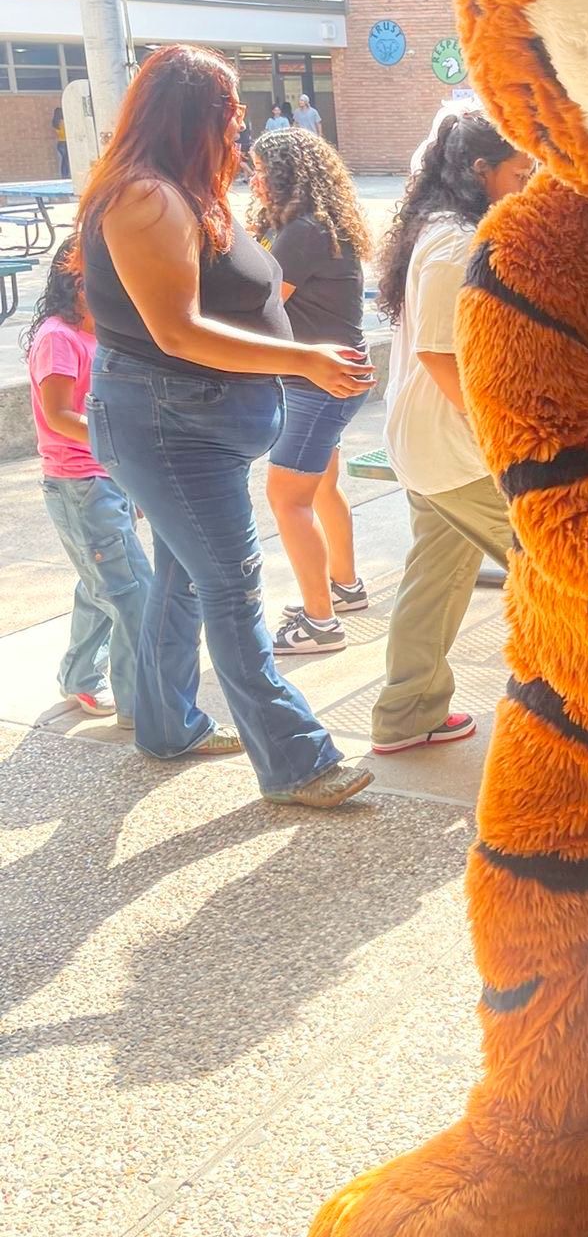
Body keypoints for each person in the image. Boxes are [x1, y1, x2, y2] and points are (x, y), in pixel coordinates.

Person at [77, 42, 375, 810]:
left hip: (192, 422)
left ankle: (166, 725)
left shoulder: (184, 191)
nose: (243, 124)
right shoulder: (147, 198)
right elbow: (175, 332)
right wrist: (302, 358)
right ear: (194, 115)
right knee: (230, 584)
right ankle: (298, 760)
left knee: (182, 576)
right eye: (231, 109)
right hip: (168, 424)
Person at [370, 107, 535, 755]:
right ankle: (572, 716)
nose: (528, 182)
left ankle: (407, 713)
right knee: (554, 568)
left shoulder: (440, 227)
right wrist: (506, 436)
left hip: (425, 448)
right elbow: (443, 357)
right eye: (520, 172)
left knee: (435, 578)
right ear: (480, 171)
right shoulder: (451, 244)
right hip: (457, 453)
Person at [247, 128, 373, 655]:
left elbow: (263, 307)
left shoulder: (302, 233)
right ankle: (344, 587)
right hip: (338, 377)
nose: (251, 180)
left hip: (318, 383)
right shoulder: (319, 227)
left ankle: (320, 623)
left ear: (282, 176)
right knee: (321, 486)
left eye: (257, 169)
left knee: (286, 498)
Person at [25, 243, 153, 725]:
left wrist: (131, 475)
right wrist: (115, 441)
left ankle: (79, 677)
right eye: (94, 279)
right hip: (81, 485)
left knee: (100, 585)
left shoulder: (106, 335)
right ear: (71, 283)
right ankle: (140, 708)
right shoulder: (59, 339)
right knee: (134, 594)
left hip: (110, 477)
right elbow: (58, 416)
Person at [52, 105, 70, 181]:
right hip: (65, 142)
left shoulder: (54, 123)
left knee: (64, 160)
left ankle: (64, 174)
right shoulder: (63, 122)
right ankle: (66, 175)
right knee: (66, 160)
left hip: (60, 142)